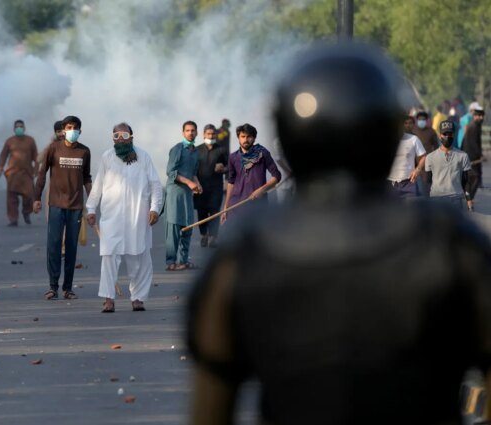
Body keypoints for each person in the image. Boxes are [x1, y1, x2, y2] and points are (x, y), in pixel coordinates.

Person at [187, 42, 491, 425]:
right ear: (384, 130)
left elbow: (211, 406)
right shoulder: (452, 244)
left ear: (290, 133)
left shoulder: (244, 254)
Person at [85, 123, 163, 313]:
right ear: (113, 138)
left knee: (139, 257)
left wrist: (155, 208)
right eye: (116, 135)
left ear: (131, 137)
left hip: (138, 217)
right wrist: (91, 208)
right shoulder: (107, 157)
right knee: (109, 257)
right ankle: (108, 298)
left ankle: (137, 297)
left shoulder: (143, 156)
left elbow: (155, 185)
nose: (120, 138)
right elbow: (98, 185)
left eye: (124, 134)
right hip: (112, 218)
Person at [33, 115, 92, 300]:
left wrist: (93, 201)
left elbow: (86, 178)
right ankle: (53, 286)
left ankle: (68, 288)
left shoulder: (84, 151)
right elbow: (42, 174)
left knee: (72, 248)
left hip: (75, 206)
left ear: (80, 131)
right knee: (54, 246)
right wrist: (37, 198)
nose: (71, 131)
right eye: (68, 127)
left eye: (75, 128)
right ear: (64, 130)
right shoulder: (54, 149)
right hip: (56, 205)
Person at [220, 123, 281, 225]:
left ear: (254, 138)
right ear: (238, 138)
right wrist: (225, 208)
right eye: (243, 136)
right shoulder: (233, 157)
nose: (245, 140)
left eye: (249, 137)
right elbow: (231, 182)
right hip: (236, 206)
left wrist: (261, 190)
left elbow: (277, 176)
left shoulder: (263, 153)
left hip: (258, 205)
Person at [165, 121, 202, 270]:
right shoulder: (177, 149)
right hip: (175, 193)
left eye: (193, 130)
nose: (190, 133)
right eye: (187, 130)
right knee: (174, 226)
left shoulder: (195, 151)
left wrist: (198, 184)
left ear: (196, 133)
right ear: (183, 133)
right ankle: (171, 262)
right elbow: (171, 172)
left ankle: (183, 260)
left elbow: (193, 173)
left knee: (188, 225)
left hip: (187, 194)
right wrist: (188, 182)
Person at [0, 119, 38, 226]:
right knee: (12, 198)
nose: (19, 128)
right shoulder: (9, 141)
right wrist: (0, 167)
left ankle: (26, 212)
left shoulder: (30, 140)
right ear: (14, 129)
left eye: (21, 126)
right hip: (13, 173)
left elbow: (36, 157)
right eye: (17, 127)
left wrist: (37, 170)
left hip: (26, 173)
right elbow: (3, 155)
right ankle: (13, 219)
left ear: (24, 128)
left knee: (29, 195)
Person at [425, 120, 472, 210]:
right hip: (436, 198)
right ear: (440, 135)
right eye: (444, 134)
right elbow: (427, 182)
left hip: (456, 199)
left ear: (453, 135)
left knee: (456, 224)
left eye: (450, 134)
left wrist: (469, 200)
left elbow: (466, 181)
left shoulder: (463, 156)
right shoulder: (430, 157)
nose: (447, 136)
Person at [194, 124, 227, 248]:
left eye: (213, 134)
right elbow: (192, 169)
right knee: (201, 212)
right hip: (200, 187)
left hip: (216, 188)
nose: (210, 136)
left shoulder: (221, 150)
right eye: (208, 134)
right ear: (203, 135)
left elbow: (229, 167)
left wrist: (223, 169)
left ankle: (213, 237)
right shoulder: (196, 150)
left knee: (214, 212)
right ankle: (204, 235)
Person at [386, 120, 426, 199]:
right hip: (390, 185)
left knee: (411, 210)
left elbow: (424, 156)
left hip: (408, 184)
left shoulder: (413, 139)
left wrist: (418, 169)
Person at [461, 106, 485, 211]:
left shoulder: (475, 126)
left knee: (472, 179)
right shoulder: (474, 126)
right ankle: (469, 199)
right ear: (474, 116)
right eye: (478, 115)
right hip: (472, 157)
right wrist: (480, 155)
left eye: (482, 116)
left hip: (471, 156)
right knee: (475, 178)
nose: (480, 117)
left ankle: (469, 199)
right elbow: (473, 144)